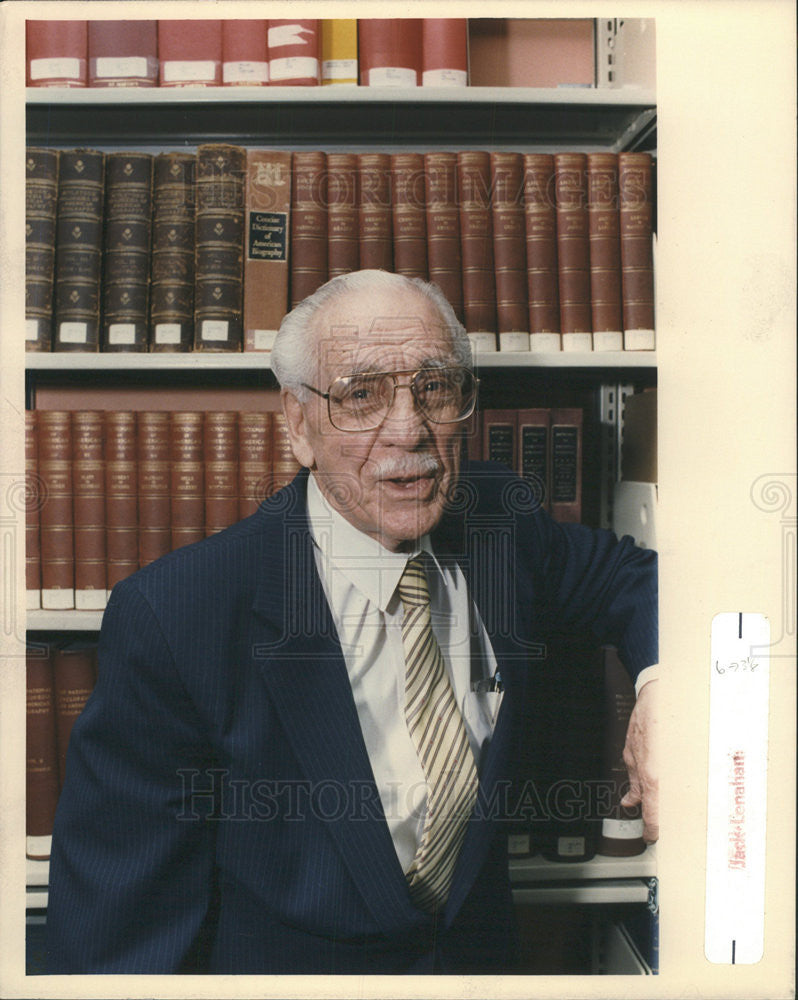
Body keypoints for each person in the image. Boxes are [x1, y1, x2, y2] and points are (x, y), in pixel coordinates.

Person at [47, 269, 658, 974]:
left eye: (434, 387)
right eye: (361, 395)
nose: (409, 430)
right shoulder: (179, 615)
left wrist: (661, 688)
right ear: (298, 425)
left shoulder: (498, 518)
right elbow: (121, 932)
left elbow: (635, 579)